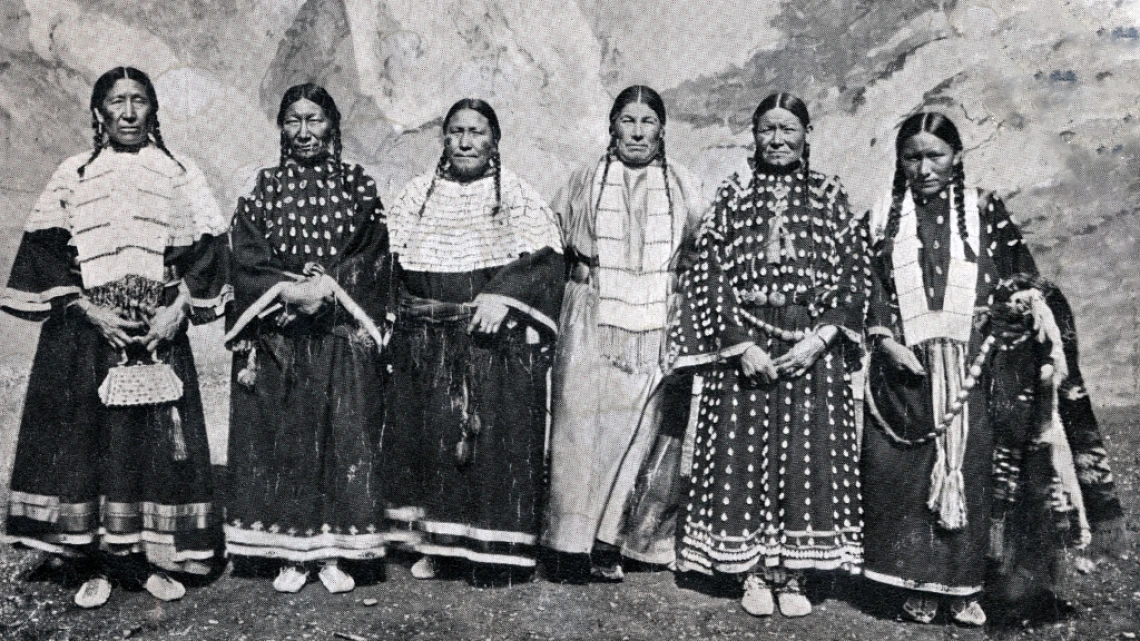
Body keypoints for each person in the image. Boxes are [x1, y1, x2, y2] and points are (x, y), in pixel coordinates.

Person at [861, 111, 1118, 625]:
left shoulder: (984, 210)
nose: (923, 168)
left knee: (976, 470)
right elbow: (872, 288)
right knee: (905, 473)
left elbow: (1022, 277)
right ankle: (914, 582)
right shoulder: (883, 214)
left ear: (956, 157)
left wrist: (1015, 311)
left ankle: (964, 587)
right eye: (912, 158)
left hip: (979, 365)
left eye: (935, 156)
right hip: (906, 366)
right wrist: (886, 340)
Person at [0, 66, 229, 608]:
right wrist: (89, 312)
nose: (128, 113)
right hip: (86, 335)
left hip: (156, 333)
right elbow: (43, 255)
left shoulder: (180, 172)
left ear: (154, 109)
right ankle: (93, 563)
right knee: (88, 444)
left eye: (140, 101)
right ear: (98, 112)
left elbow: (209, 254)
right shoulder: (74, 172)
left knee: (150, 448)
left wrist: (178, 310)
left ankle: (141, 562)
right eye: (117, 102)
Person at [667, 93, 869, 618]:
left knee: (806, 456)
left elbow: (854, 274)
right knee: (744, 455)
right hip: (746, 345)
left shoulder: (830, 194)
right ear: (754, 135)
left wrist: (820, 339)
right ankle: (752, 571)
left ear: (807, 133)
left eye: (788, 129)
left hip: (810, 344)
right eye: (767, 130)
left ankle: (794, 574)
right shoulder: (733, 193)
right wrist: (739, 344)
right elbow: (706, 271)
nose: (777, 140)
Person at [382, 99, 565, 583]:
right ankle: (437, 544)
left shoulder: (520, 197)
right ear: (443, 138)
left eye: (477, 132)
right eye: (456, 131)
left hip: (494, 348)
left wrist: (503, 296)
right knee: (434, 443)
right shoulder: (415, 195)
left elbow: (547, 262)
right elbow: (393, 267)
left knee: (491, 444)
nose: (465, 142)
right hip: (428, 340)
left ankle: (493, 551)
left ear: (494, 141)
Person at [223, 83, 395, 595]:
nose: (303, 131)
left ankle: (334, 553)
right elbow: (245, 255)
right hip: (280, 335)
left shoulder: (359, 186)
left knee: (341, 442)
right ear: (281, 127)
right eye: (293, 120)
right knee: (285, 441)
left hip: (339, 333)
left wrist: (329, 287)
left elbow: (374, 253)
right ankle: (289, 555)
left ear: (332, 125)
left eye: (314, 119)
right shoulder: (263, 187)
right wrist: (290, 291)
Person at [542, 85, 704, 581]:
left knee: (641, 432)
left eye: (647, 121)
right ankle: (567, 546)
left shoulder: (684, 186)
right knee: (577, 428)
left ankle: (610, 541)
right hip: (589, 314)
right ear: (611, 125)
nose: (637, 131)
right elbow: (553, 243)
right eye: (627, 120)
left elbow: (698, 257)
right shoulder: (583, 180)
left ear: (662, 129)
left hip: (656, 320)